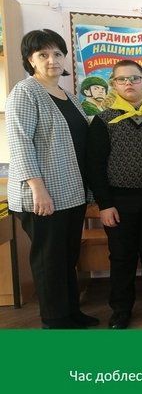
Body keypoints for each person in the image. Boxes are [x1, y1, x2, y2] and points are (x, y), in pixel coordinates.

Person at [6, 29, 98, 329]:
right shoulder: (25, 92)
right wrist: (38, 188)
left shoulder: (67, 95)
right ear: (30, 60)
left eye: (57, 53)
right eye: (43, 54)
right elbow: (20, 143)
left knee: (66, 257)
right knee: (49, 260)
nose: (52, 60)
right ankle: (55, 321)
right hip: (43, 195)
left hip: (70, 193)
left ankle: (71, 312)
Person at [86, 60, 142, 329]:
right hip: (119, 201)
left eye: (134, 78)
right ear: (114, 84)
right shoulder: (103, 121)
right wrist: (105, 204)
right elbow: (95, 166)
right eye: (122, 79)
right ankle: (121, 308)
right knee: (122, 256)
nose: (129, 83)